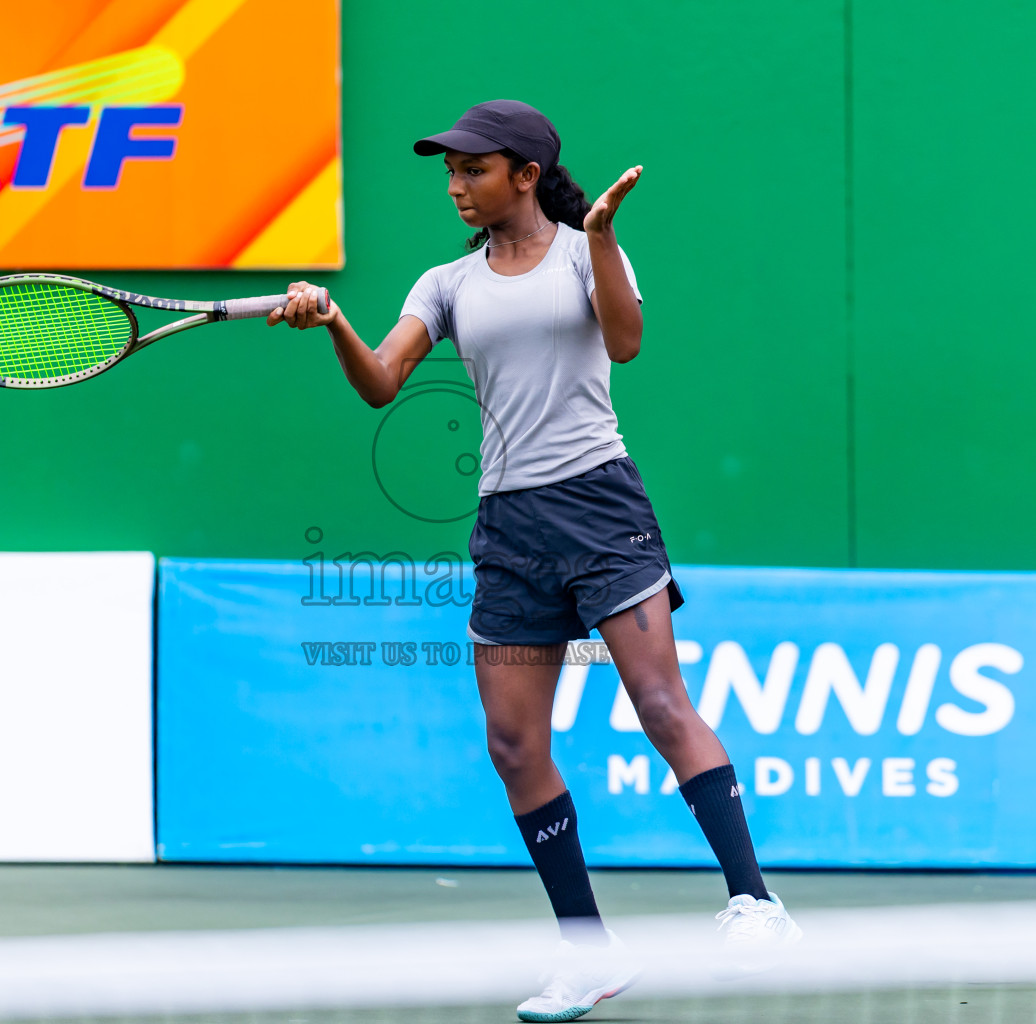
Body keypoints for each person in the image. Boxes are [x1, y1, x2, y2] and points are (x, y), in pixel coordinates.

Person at [269, 99, 800, 1022]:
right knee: (514, 746)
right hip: (510, 528)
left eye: (474, 169)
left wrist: (597, 238)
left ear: (525, 173)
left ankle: (755, 902)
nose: (455, 185)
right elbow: (382, 383)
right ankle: (588, 951)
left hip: (600, 505)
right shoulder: (444, 284)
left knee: (661, 704)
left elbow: (626, 343)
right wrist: (335, 325)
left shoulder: (587, 249)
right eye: (450, 170)